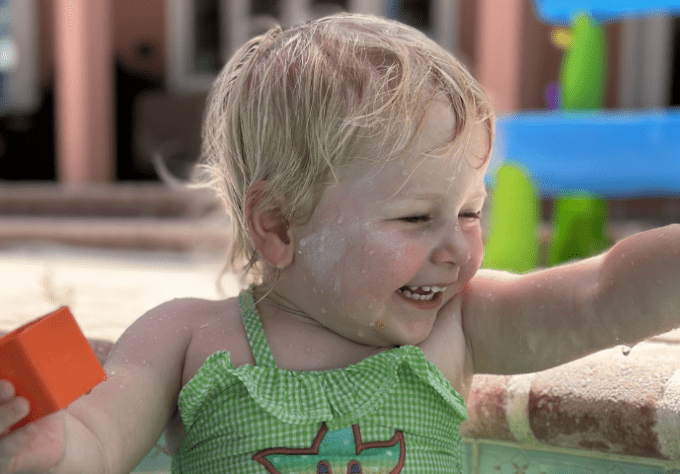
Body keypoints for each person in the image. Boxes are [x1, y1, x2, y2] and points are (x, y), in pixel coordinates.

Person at [0, 13, 678, 474]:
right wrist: (51, 448)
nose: (457, 247)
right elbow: (98, 437)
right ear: (280, 226)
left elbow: (603, 296)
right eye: (416, 218)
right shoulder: (185, 337)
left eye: (471, 212)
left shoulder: (459, 325)